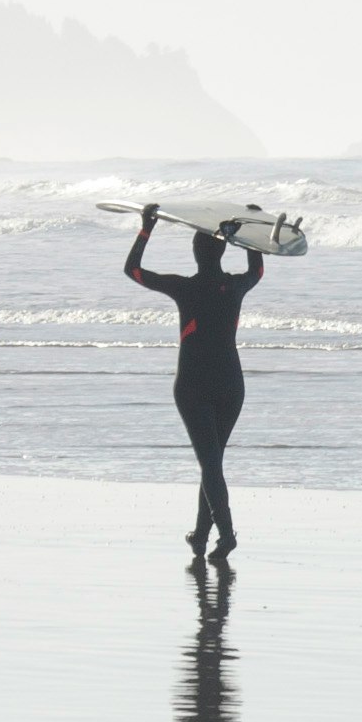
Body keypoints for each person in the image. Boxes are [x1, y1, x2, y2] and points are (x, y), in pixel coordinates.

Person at [121, 202, 263, 562]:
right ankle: (201, 536)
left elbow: (133, 270)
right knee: (212, 461)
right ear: (221, 251)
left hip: (193, 384)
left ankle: (227, 534)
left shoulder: (185, 288)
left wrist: (146, 227)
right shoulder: (235, 287)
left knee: (210, 463)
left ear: (195, 253)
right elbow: (258, 269)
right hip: (232, 384)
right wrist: (252, 232)